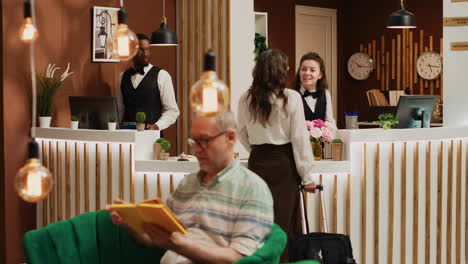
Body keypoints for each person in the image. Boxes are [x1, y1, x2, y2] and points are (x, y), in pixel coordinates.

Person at [107, 112, 274, 264]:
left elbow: (238, 258)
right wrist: (130, 221)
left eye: (204, 141)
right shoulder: (189, 183)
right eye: (194, 141)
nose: (196, 150)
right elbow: (152, 239)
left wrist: (181, 246)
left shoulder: (253, 189)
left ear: (230, 138)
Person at [237, 49, 317, 262]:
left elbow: (241, 133)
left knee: (258, 222)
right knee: (283, 225)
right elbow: (299, 139)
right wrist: (307, 176)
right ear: (279, 71)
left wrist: (255, 150)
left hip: (258, 163)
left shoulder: (246, 98)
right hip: (284, 165)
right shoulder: (292, 98)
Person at [117, 33, 180, 132]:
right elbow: (120, 110)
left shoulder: (162, 75)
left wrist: (156, 126)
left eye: (148, 50)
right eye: (141, 50)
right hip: (127, 136)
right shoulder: (122, 77)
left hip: (152, 137)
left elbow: (172, 111)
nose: (146, 54)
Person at [293, 52, 336, 126]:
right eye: (303, 69)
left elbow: (330, 121)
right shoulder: (292, 94)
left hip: (320, 137)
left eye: (312, 70)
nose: (307, 73)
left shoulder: (325, 93)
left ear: (320, 75)